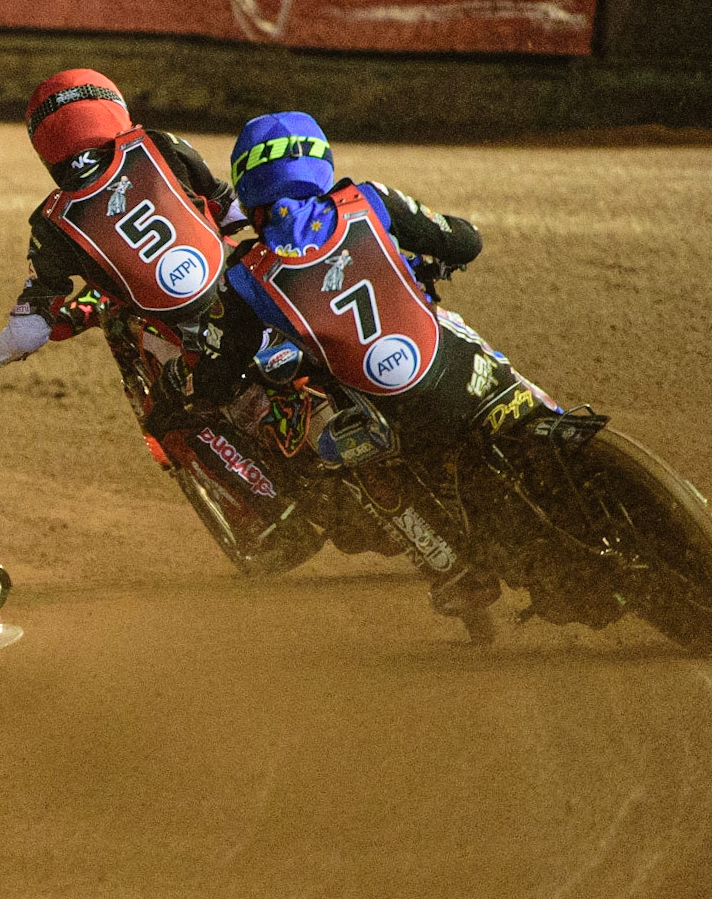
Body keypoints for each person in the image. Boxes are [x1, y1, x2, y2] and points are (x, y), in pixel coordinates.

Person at [150, 111, 521, 635]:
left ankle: (454, 570)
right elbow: (465, 242)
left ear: (250, 193)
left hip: (387, 413)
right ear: (320, 165)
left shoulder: (246, 275)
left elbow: (222, 371)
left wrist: (190, 394)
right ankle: (550, 424)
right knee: (482, 355)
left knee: (348, 458)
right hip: (458, 366)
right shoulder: (367, 201)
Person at [0, 69, 253, 399]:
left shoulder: (51, 223)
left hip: (193, 342)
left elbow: (29, 332)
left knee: (168, 411)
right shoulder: (157, 143)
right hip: (253, 289)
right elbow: (233, 210)